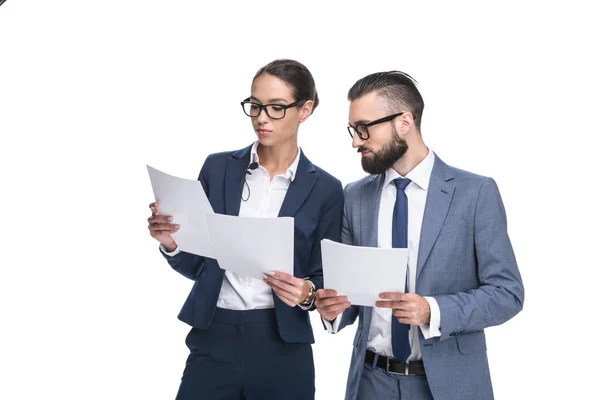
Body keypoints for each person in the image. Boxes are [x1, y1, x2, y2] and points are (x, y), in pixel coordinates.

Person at [315, 71, 524, 400]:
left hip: (448, 385)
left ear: (404, 121)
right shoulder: (355, 197)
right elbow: (351, 297)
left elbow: (507, 293)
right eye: (353, 130)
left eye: (364, 128)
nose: (356, 141)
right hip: (370, 382)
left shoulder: (475, 193)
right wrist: (332, 309)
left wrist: (433, 310)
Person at [147, 59, 343, 399]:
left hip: (282, 343)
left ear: (305, 109)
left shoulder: (326, 188)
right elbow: (201, 263)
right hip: (214, 335)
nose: (261, 118)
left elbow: (326, 278)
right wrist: (172, 243)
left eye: (276, 108)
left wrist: (307, 293)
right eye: (254, 106)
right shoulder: (218, 167)